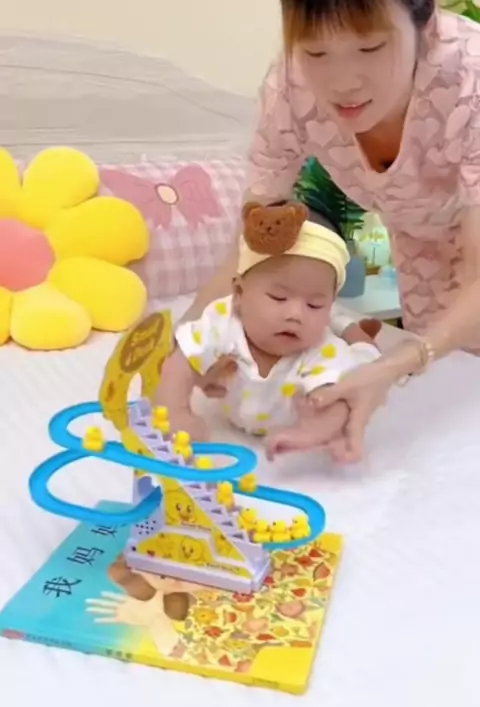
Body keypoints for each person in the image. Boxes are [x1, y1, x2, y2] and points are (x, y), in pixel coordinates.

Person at [180, 0, 480, 461]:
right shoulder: (291, 90)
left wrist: (394, 366)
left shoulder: (469, 79)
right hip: (418, 239)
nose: (343, 83)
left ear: (425, 22)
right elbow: (255, 238)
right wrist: (185, 341)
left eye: (370, 47)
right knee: (455, 376)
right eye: (315, 52)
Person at [157, 200, 380, 457]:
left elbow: (337, 402)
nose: (295, 314)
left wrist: (312, 432)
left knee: (368, 355)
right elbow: (179, 363)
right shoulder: (223, 321)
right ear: (239, 294)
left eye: (314, 304)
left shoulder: (323, 349)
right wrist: (176, 411)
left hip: (357, 359)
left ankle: (351, 328)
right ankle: (338, 319)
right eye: (278, 298)